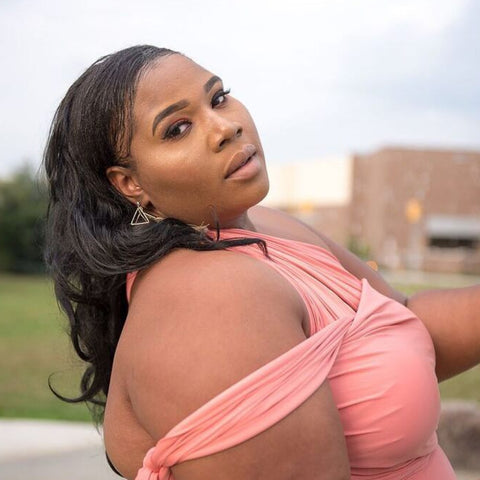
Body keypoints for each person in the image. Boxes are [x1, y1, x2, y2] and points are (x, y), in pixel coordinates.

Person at [43, 45, 479, 480]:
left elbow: (407, 320)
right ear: (129, 182)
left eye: (218, 97)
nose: (225, 127)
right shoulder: (206, 300)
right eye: (178, 128)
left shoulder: (262, 228)